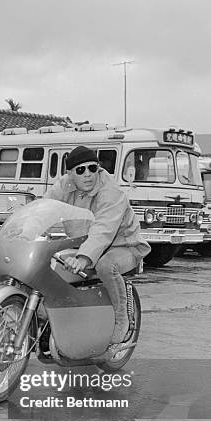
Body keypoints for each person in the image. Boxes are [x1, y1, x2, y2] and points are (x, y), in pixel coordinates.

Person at [46, 146, 151, 345]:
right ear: (70, 173)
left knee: (105, 266)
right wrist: (22, 232)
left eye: (92, 168)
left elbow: (103, 229)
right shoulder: (63, 186)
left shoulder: (110, 192)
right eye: (80, 170)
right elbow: (42, 209)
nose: (87, 174)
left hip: (123, 246)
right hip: (85, 245)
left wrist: (83, 258)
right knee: (50, 262)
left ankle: (122, 320)